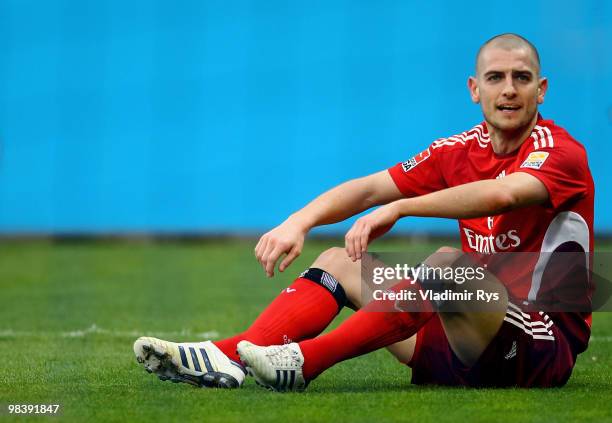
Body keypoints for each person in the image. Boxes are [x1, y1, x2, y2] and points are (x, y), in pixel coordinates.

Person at [133, 33, 594, 390]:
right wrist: (299, 221)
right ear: (475, 89)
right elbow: (371, 188)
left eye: (522, 77)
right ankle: (230, 358)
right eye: (496, 78)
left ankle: (305, 362)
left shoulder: (560, 151)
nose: (509, 90)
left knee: (445, 267)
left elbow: (503, 195)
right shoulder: (459, 150)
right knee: (339, 263)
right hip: (456, 347)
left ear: (542, 89)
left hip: (538, 348)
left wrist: (401, 209)